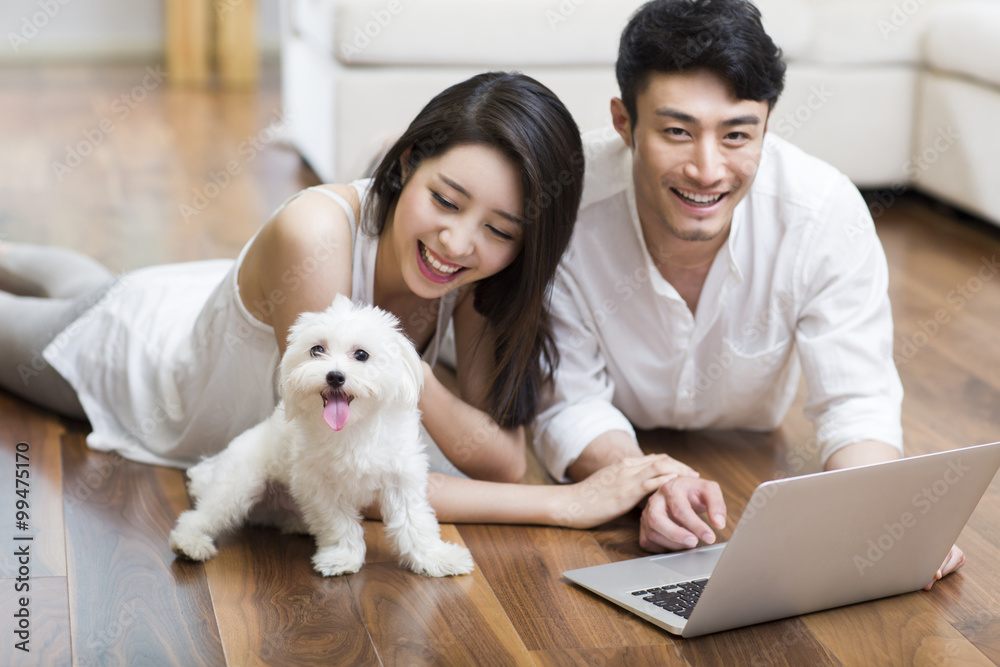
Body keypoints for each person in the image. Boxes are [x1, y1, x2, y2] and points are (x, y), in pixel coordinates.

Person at [0, 71, 683, 529]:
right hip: (139, 356)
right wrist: (563, 507)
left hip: (187, 302)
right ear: (409, 160)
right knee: (83, 304)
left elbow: (498, 457)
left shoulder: (476, 269)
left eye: (501, 230)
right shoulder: (313, 233)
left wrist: (413, 373)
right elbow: (337, 479)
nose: (457, 241)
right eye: (445, 199)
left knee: (83, 282)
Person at [531, 0, 964, 587]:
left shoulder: (822, 214)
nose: (707, 170)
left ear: (767, 124)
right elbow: (568, 401)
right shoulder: (564, 207)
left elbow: (856, 400)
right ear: (624, 123)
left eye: (737, 134)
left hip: (743, 440)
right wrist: (648, 479)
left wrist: (877, 514)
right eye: (677, 131)